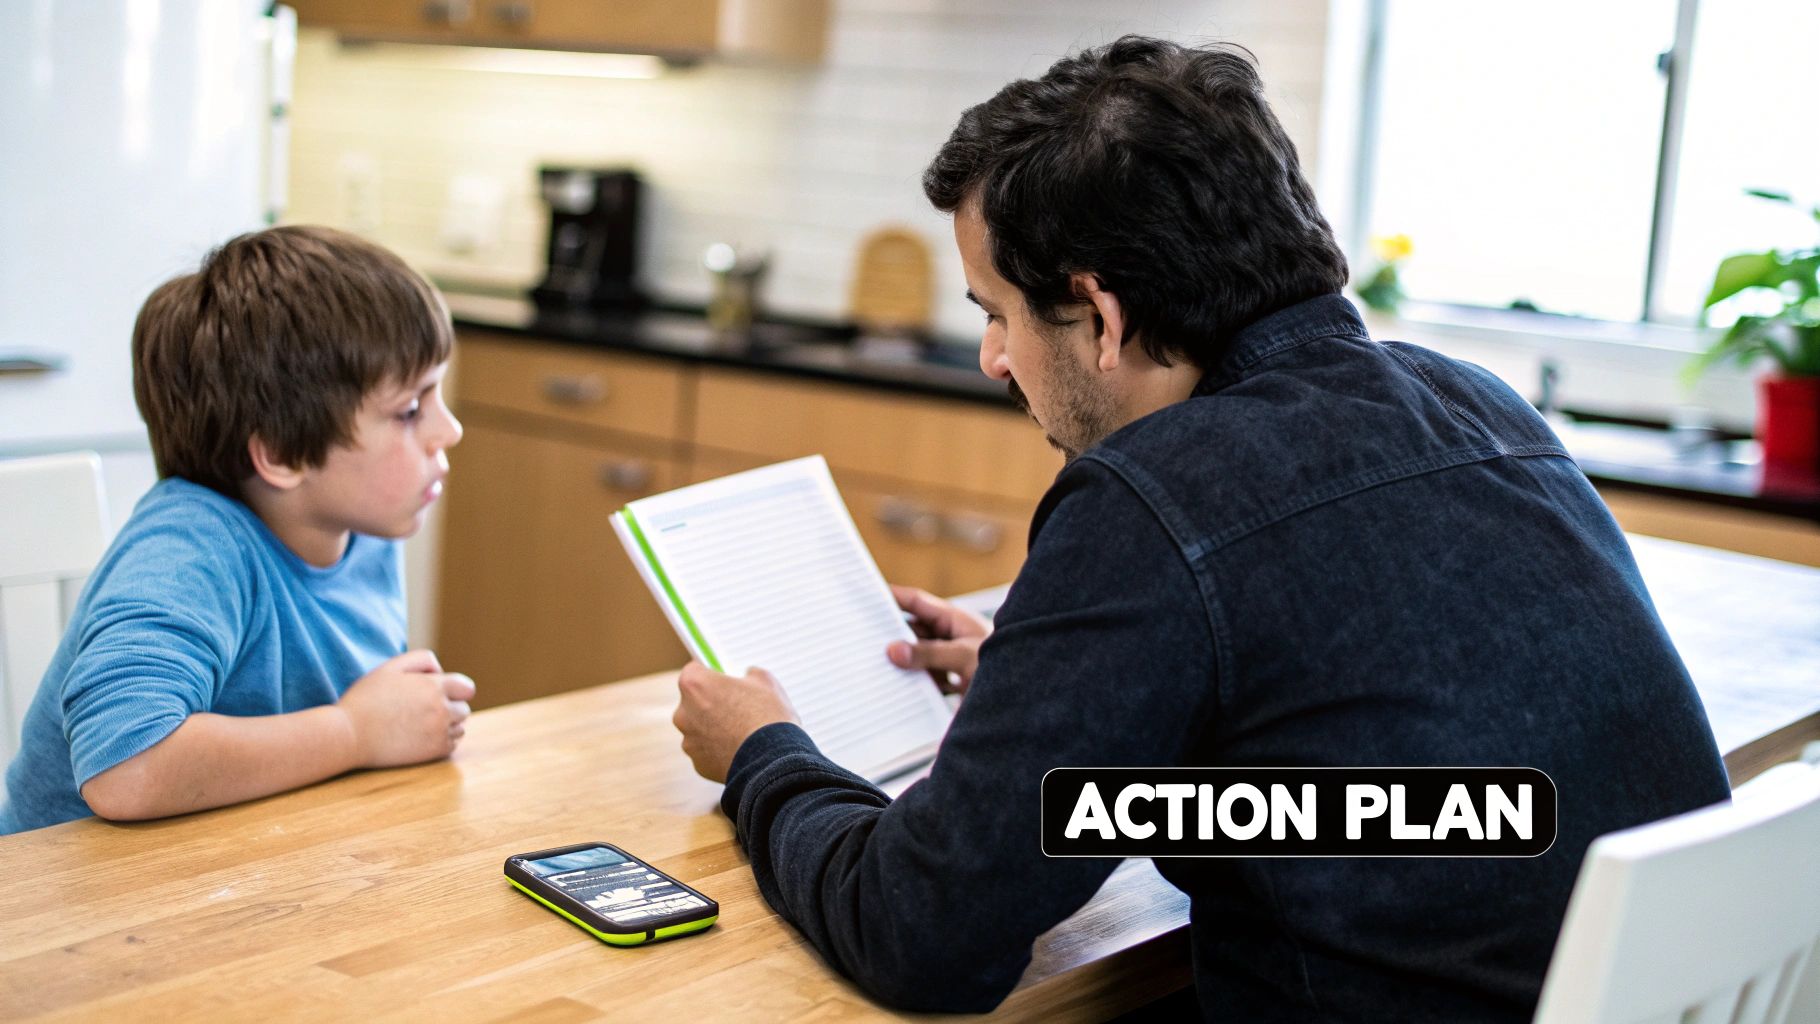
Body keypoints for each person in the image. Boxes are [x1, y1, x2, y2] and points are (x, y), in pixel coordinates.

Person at [670, 36, 1731, 1021]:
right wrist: (1079, 694)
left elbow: (923, 932)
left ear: (1102, 316)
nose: (993, 358)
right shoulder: (1480, 405)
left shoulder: (1152, 493)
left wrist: (765, 756)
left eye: (996, 313)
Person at [0, 226, 473, 835]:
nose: (450, 430)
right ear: (281, 453)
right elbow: (124, 768)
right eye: (409, 410)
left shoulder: (364, 530)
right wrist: (356, 731)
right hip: (74, 888)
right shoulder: (189, 548)